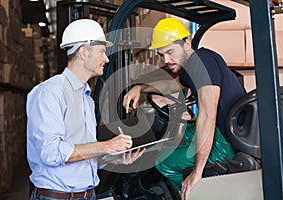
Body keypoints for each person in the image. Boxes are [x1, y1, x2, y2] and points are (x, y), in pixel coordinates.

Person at [123, 18, 246, 200]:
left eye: (170, 52)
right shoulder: (193, 67)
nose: (166, 60)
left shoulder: (201, 62)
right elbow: (171, 85)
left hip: (225, 142)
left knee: (163, 162)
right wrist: (139, 87)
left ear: (187, 43)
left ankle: (189, 193)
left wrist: (196, 171)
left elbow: (207, 116)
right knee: (178, 136)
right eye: (161, 54)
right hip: (230, 131)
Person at [27, 19, 145, 200]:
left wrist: (114, 158)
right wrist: (107, 145)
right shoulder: (49, 93)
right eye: (102, 52)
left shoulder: (86, 99)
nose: (106, 59)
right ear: (84, 52)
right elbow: (51, 153)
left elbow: (83, 154)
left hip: (87, 195)